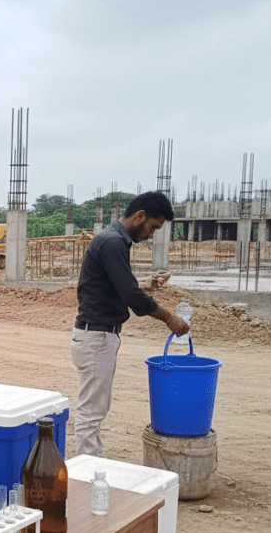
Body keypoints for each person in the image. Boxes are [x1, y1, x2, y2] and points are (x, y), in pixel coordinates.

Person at [72, 191, 188, 457]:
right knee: (91, 413)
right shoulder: (113, 242)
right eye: (153, 227)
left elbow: (113, 286)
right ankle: (89, 475)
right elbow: (131, 297)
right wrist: (169, 317)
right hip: (96, 337)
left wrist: (144, 284)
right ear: (140, 216)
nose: (151, 234)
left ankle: (92, 468)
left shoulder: (113, 240)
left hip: (97, 336)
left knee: (95, 409)